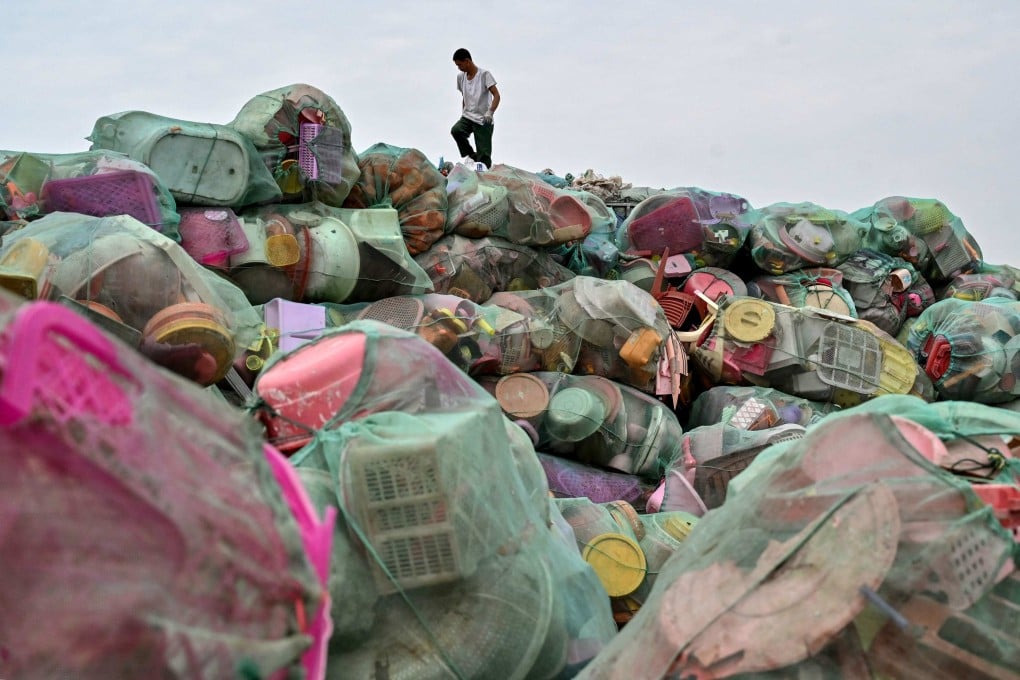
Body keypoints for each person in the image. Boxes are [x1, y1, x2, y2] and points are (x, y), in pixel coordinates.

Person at [450, 48, 500, 169]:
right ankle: (472, 155)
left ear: (467, 61)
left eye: (460, 65)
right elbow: (465, 96)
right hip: (468, 116)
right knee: (456, 131)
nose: (459, 68)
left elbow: (497, 95)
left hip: (483, 120)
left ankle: (484, 174)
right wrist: (463, 112)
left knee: (484, 157)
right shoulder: (461, 77)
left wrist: (490, 112)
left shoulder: (484, 75)